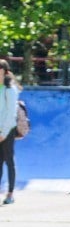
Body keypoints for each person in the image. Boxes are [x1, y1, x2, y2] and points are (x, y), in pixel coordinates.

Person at [0, 60, 20, 205]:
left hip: (7, 130)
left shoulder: (10, 89)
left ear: (5, 72)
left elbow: (10, 114)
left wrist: (4, 132)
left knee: (9, 161)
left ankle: (10, 193)